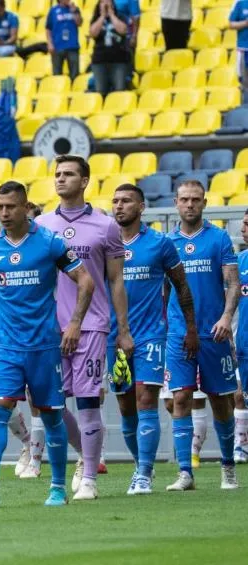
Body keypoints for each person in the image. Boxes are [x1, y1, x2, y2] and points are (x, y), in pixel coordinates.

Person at [0, 181, 94, 509]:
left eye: (10, 207)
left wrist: (75, 323)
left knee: (51, 417)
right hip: (6, 346)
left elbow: (86, 280)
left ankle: (58, 488)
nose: (4, 213)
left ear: (24, 207)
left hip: (44, 346)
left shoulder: (49, 243)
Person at [35, 155, 132, 501]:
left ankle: (90, 477)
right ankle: (87, 455)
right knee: (50, 405)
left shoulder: (105, 225)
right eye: (57, 174)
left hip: (91, 325)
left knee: (88, 401)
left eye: (69, 174)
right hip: (49, 328)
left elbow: (116, 280)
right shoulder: (42, 225)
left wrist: (123, 329)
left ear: (85, 180)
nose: (61, 179)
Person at [107, 184, 197, 495]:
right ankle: (140, 464)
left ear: (142, 206)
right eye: (116, 201)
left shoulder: (159, 243)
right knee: (125, 406)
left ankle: (144, 473)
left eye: (127, 201)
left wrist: (190, 329)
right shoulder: (104, 242)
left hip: (150, 335)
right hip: (113, 336)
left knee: (146, 398)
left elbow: (182, 286)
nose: (120, 206)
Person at [163, 180, 240, 491]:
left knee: (220, 401)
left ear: (204, 202)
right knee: (180, 398)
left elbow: (233, 284)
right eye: (184, 199)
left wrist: (225, 318)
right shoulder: (166, 243)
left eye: (195, 199)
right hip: (178, 334)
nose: (190, 204)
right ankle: (185, 473)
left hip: (214, 334)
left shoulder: (219, 238)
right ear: (176, 202)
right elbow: (162, 291)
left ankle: (228, 467)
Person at [89, 0, 131, 97]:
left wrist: (112, 15)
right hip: (100, 61)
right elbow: (93, 33)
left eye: (109, 3)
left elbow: (123, 30)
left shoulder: (121, 17)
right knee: (100, 92)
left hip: (118, 60)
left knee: (119, 91)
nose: (106, 6)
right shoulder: (95, 18)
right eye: (103, 3)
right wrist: (102, 16)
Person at [233, 211, 248, 463]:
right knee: (241, 394)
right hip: (244, 342)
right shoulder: (239, 261)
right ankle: (241, 445)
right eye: (244, 223)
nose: (244, 228)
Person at [46, 0, 82, 79]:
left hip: (72, 46)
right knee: (57, 74)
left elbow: (79, 23)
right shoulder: (53, 11)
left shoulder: (75, 9)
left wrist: (74, 11)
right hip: (57, 46)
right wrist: (50, 43)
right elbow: (48, 29)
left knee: (75, 74)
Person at [230, 0, 248, 98]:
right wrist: (245, 23)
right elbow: (231, 24)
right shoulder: (239, 2)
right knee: (244, 81)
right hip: (244, 49)